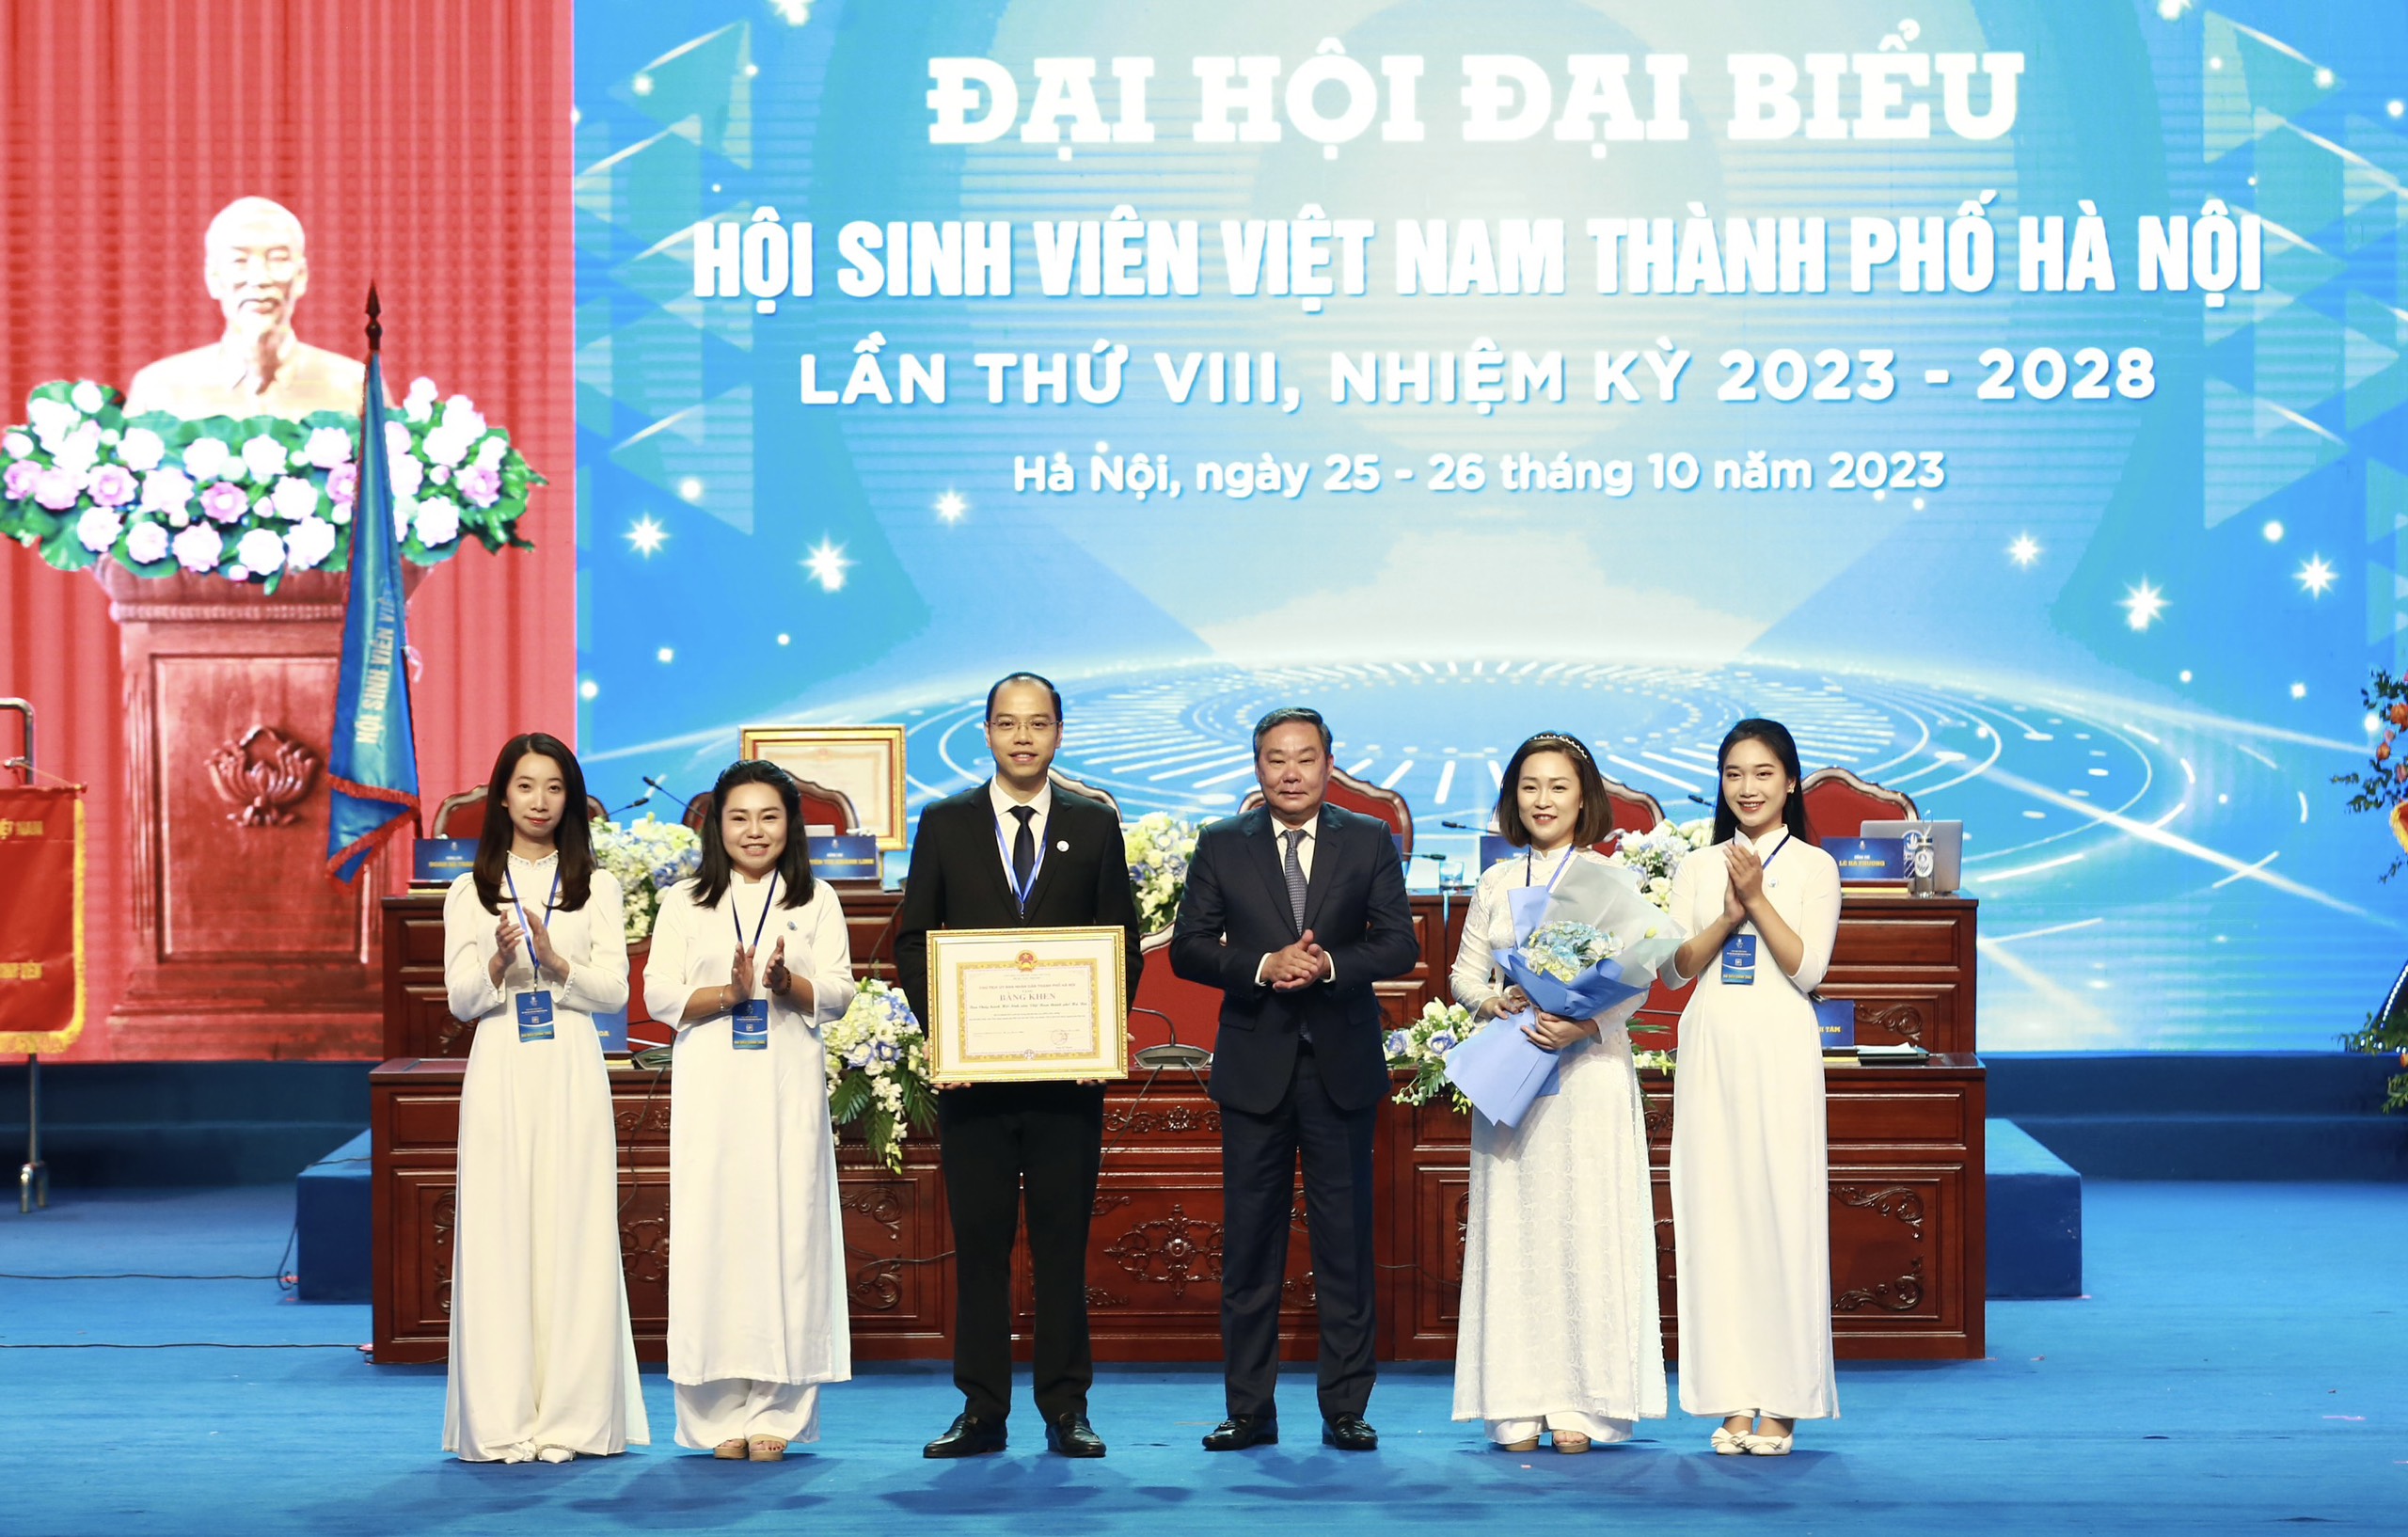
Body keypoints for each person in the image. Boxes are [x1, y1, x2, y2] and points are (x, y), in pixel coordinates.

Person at [894, 673, 1145, 1460]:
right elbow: (914, 939)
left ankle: (1067, 1408)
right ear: (987, 733)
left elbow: (1122, 942)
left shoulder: (1094, 824)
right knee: (980, 1249)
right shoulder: (945, 823)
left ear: (1059, 732)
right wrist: (947, 1037)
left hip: (1068, 1084)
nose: (1023, 737)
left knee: (1062, 1249)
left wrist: (1099, 1035)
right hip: (974, 1082)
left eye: (1038, 724)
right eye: (1008, 724)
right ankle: (982, 1411)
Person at [1171, 706, 1418, 1453]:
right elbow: (1188, 948)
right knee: (1251, 1248)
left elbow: (1398, 944)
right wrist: (1262, 965)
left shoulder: (1368, 838)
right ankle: (1250, 1409)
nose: (1290, 773)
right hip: (1255, 1069)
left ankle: (1346, 1407)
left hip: (1341, 1067)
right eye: (1276, 759)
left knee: (1345, 1245)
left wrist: (1329, 964)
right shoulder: (1223, 842)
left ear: (1328, 764)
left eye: (1305, 758)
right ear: (1257, 767)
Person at [1447, 733, 1668, 1453]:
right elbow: (1464, 975)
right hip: (1516, 1072)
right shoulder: (1496, 882)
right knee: (1517, 1230)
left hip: (1589, 1072)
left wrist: (1585, 1022)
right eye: (1529, 786)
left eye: (1558, 787)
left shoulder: (1611, 878)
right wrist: (1495, 1002)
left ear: (1584, 798)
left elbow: (1639, 977)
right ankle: (1515, 1400)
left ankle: (1585, 1404)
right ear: (1513, 798)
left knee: (1587, 1226)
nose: (1542, 800)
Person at [440, 733, 648, 1464]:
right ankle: (502, 1419)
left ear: (571, 798)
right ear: (502, 796)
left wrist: (556, 962)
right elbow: (461, 1001)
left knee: (573, 1231)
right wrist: (500, 963)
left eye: (554, 788)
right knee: (500, 1235)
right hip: (501, 1065)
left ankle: (572, 1418)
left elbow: (614, 993)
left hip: (571, 1065)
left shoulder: (598, 887)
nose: (539, 801)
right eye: (525, 786)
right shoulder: (469, 890)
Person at [645, 760, 858, 1462]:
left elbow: (839, 991)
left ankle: (778, 1412)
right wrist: (731, 996)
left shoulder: (816, 899)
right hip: (711, 1088)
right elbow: (658, 995)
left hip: (786, 1087)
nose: (755, 830)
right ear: (718, 826)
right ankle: (714, 1417)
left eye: (769, 816)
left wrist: (785, 983)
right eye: (739, 817)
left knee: (787, 1239)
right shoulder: (684, 902)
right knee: (713, 1238)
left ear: (790, 825)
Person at [1659, 718, 1843, 1455]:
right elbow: (1674, 969)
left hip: (1780, 1046)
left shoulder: (1815, 867)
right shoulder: (1697, 866)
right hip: (1711, 1044)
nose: (1748, 788)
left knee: (1781, 1214)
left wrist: (1758, 901)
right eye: (1734, 774)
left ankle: (1785, 1399)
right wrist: (1726, 914)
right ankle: (1732, 1397)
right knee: (1716, 1218)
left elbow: (1809, 969)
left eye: (1763, 773)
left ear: (1790, 782)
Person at [125, 197, 368, 420]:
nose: (259, 279)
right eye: (239, 261)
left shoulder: (355, 386)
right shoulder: (160, 389)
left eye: (277, 259)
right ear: (213, 278)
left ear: (301, 276)